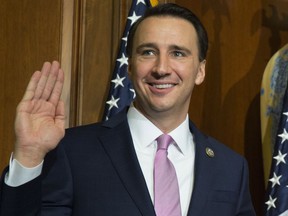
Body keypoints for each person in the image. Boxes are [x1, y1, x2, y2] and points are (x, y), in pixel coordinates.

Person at [0, 3, 255, 216]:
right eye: (148, 52)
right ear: (130, 66)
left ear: (200, 71)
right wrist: (29, 156)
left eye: (178, 53)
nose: (161, 68)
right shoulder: (72, 152)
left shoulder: (231, 169)